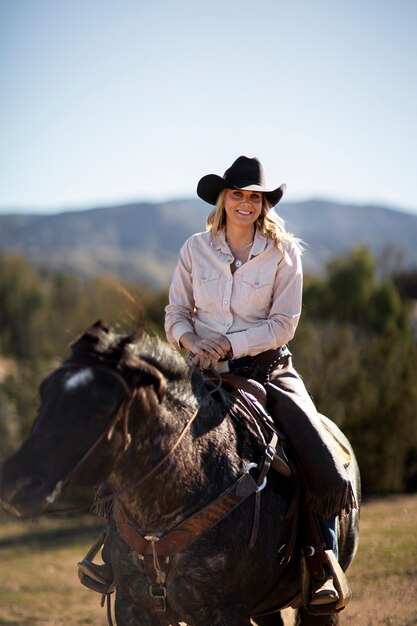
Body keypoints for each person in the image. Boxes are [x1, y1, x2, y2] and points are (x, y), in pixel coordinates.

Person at [165, 155, 356, 606]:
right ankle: (121, 556)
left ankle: (321, 561)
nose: (246, 203)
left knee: (316, 452)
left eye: (255, 197)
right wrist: (193, 342)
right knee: (148, 436)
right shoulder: (195, 248)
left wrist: (231, 345)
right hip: (202, 373)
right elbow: (176, 313)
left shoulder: (284, 252)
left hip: (268, 371)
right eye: (238, 195)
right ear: (223, 199)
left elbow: (284, 323)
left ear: (264, 204)